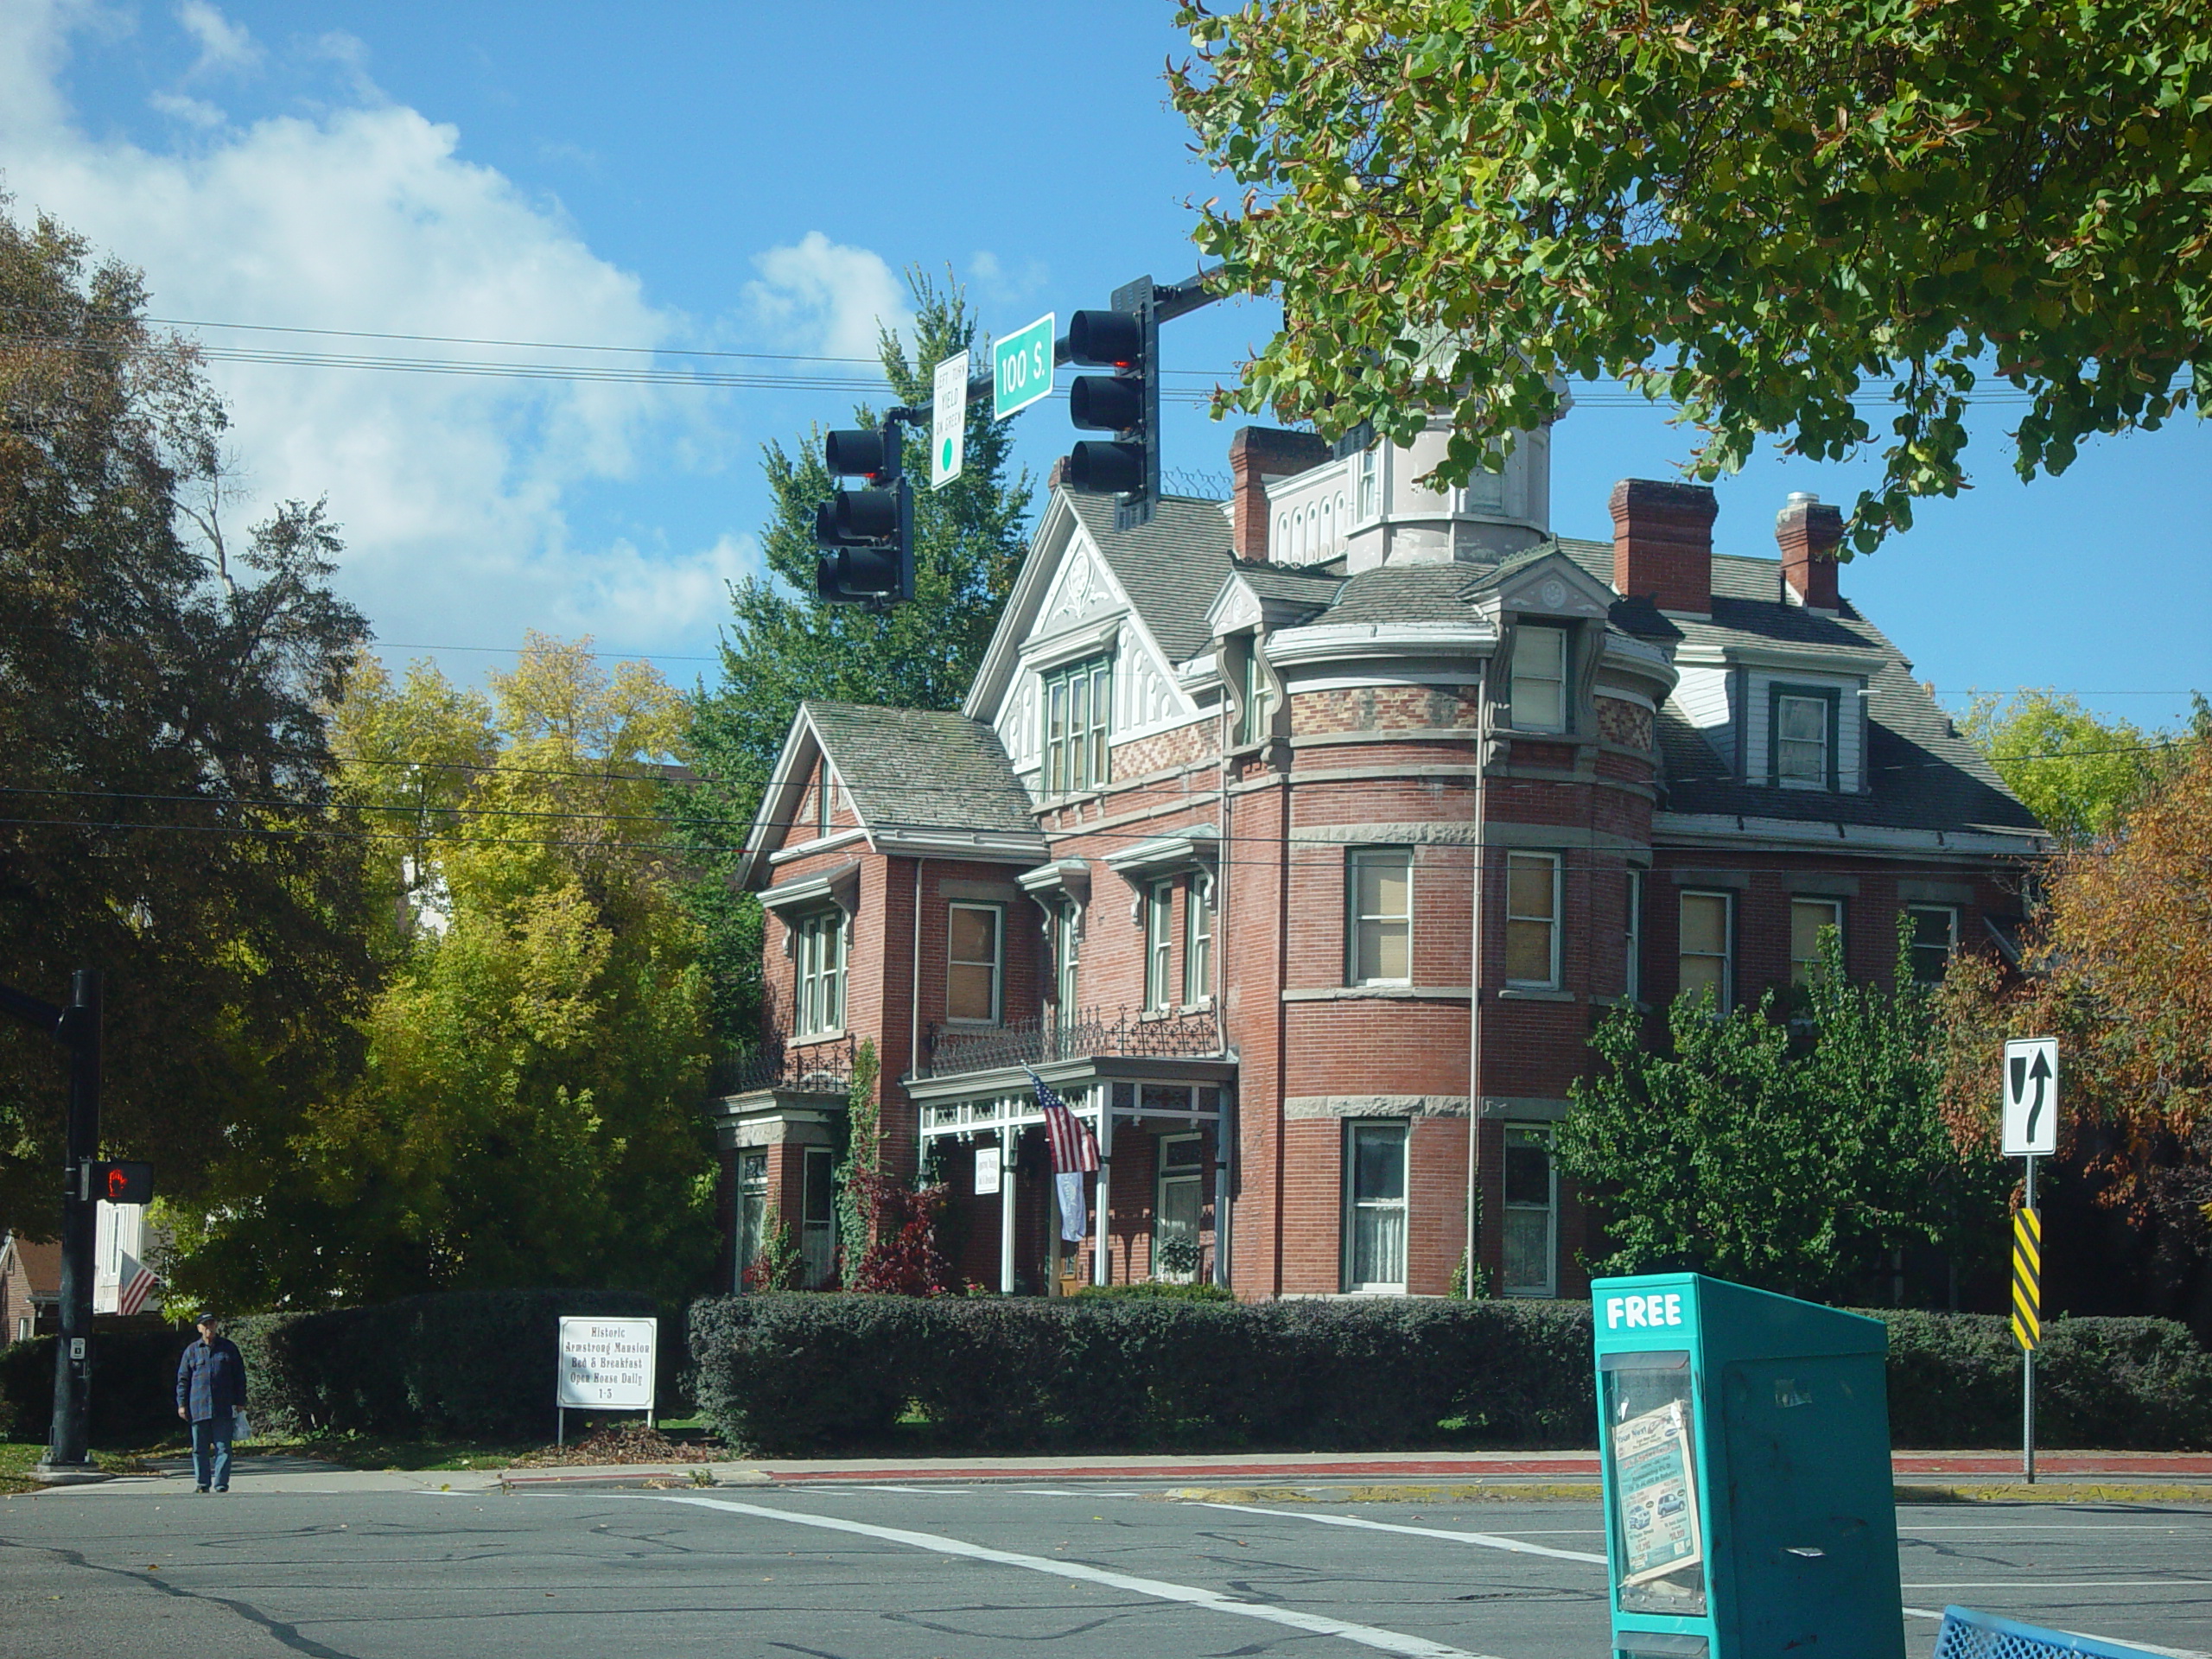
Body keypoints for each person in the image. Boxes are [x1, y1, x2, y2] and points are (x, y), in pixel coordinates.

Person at [175, 1313, 248, 1494]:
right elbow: (183, 1380)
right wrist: (182, 1404)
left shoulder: (229, 1348)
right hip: (198, 1408)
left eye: (212, 1324)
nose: (209, 1327)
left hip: (223, 1407)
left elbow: (239, 1376)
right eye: (205, 1325)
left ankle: (221, 1484)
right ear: (199, 1328)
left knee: (223, 1448)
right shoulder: (192, 1350)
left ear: (216, 1326)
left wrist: (240, 1401)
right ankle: (202, 1484)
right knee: (199, 1449)